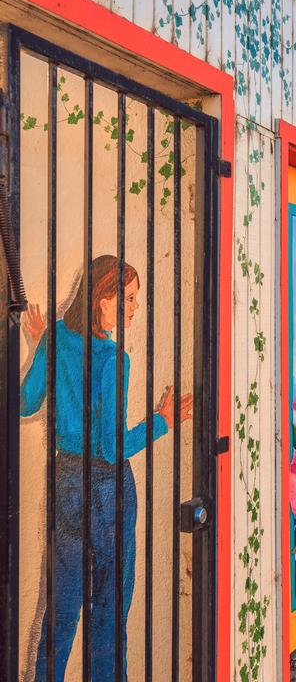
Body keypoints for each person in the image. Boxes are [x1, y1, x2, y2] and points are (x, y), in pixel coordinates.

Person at [21, 254, 193, 681]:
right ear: (103, 299)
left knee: (60, 613)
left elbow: (25, 402)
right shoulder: (113, 358)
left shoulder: (56, 339)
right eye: (129, 298)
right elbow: (113, 446)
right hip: (106, 491)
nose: (135, 307)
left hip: (65, 483)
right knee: (108, 615)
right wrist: (163, 421)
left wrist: (45, 348)